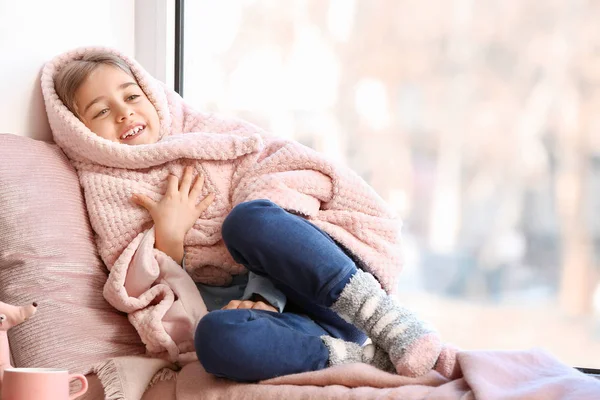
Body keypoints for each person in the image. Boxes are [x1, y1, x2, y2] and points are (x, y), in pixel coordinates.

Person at [49, 50, 457, 382]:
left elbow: (283, 167)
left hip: (326, 287)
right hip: (285, 334)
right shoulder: (107, 190)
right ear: (78, 132)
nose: (124, 113)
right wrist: (168, 239)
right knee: (214, 341)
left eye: (132, 95)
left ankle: (389, 321)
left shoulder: (201, 134)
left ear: (152, 96)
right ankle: (363, 359)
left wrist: (264, 296)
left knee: (247, 220)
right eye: (101, 111)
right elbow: (138, 294)